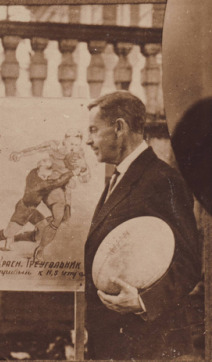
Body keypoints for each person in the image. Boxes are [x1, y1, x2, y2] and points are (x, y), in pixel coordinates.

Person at [84, 91, 202, 359]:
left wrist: (142, 302)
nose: (88, 140)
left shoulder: (162, 180)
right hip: (116, 342)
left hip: (147, 345)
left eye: (94, 130)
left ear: (119, 128)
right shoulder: (119, 179)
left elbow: (189, 264)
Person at [0, 153, 78, 258]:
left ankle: (14, 238)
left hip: (32, 210)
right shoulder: (41, 185)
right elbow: (57, 182)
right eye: (44, 176)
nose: (46, 178)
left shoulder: (33, 172)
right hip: (23, 211)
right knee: (7, 232)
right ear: (40, 169)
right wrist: (72, 173)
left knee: (43, 231)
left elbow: (53, 178)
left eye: (48, 176)